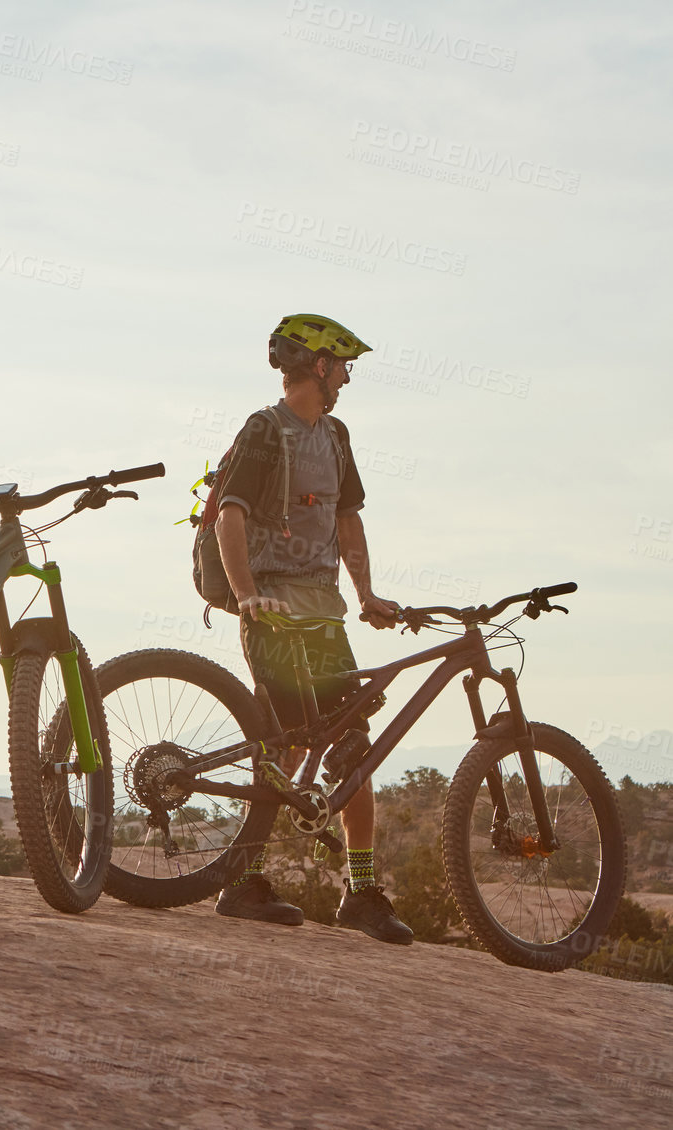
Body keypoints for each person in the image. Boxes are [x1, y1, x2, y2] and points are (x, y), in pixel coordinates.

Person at [210, 313, 414, 945]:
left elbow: (346, 521)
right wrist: (247, 596)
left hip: (324, 610)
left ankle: (360, 891)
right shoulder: (266, 430)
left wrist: (366, 595)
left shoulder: (337, 436)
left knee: (352, 746)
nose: (349, 378)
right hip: (272, 605)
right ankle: (243, 881)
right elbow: (229, 515)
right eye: (344, 366)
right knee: (286, 745)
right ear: (320, 366)